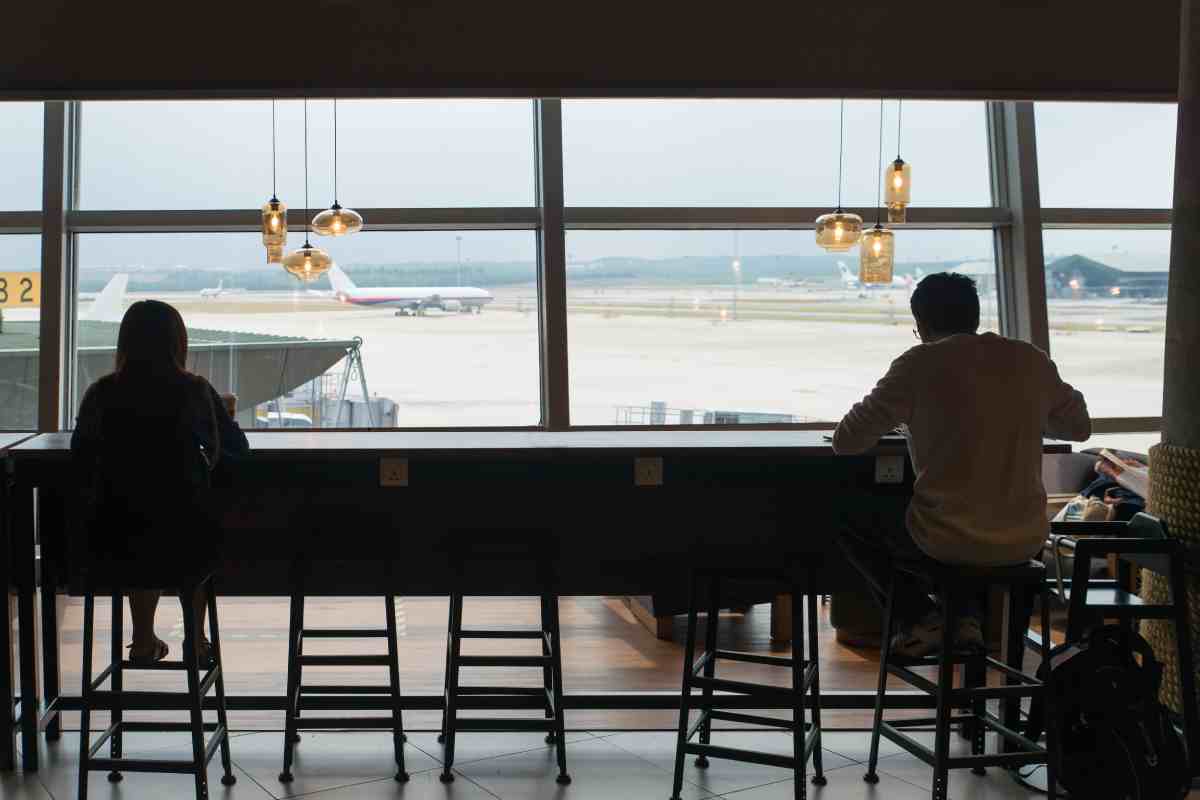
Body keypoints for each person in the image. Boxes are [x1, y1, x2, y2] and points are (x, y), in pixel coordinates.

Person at [832, 273, 1090, 657]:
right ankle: (964, 619)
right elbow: (1079, 428)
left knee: (847, 515)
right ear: (974, 316)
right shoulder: (1029, 359)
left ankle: (921, 617)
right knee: (953, 517)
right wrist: (1026, 414)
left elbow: (846, 441)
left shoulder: (918, 364)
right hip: (1023, 541)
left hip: (944, 542)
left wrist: (907, 418)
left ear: (921, 324)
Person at [71, 300, 249, 665]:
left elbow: (80, 457)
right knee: (190, 522)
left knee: (138, 523)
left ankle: (141, 639)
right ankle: (196, 640)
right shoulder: (195, 391)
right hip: (187, 545)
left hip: (110, 544)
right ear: (177, 342)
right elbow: (238, 450)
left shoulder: (100, 394)